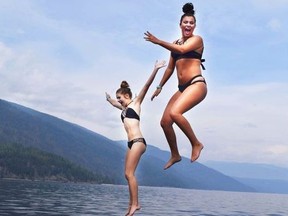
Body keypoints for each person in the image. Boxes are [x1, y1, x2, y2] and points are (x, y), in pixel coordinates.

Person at [144, 2, 207, 170]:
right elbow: (171, 67)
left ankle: (196, 143)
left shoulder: (196, 40)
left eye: (191, 23)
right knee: (165, 122)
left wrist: (158, 42)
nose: (188, 25)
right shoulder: (175, 42)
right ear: (180, 25)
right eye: (185, 22)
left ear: (194, 26)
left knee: (175, 113)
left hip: (196, 84)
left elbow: (182, 50)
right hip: (182, 88)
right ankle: (175, 154)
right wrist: (159, 86)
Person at [105, 60, 166, 216]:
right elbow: (113, 103)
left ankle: (136, 204)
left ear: (127, 95)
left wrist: (156, 69)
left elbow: (146, 86)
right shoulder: (124, 108)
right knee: (127, 174)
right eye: (118, 99)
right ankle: (131, 204)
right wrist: (109, 99)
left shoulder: (135, 104)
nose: (119, 101)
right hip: (131, 143)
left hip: (139, 142)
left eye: (120, 98)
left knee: (130, 174)